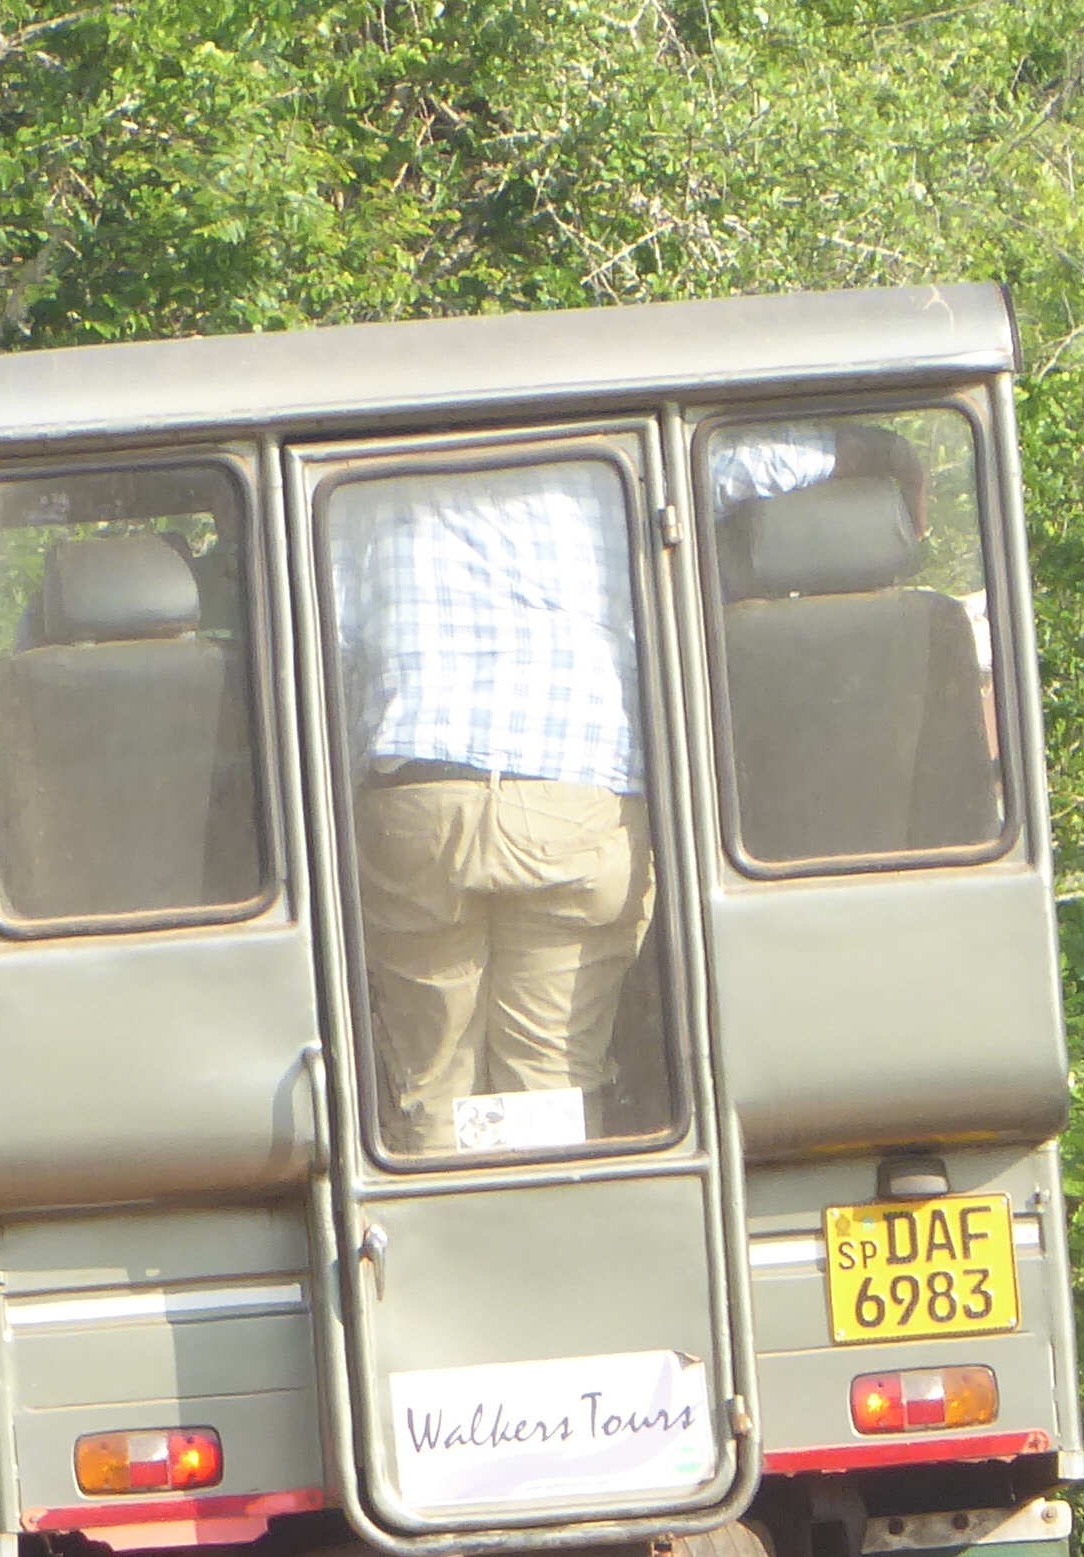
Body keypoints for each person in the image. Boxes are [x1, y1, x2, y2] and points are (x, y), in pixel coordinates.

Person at [335, 432, 850, 1155]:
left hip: (420, 801)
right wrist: (876, 452)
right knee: (550, 1076)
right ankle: (546, 1210)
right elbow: (746, 461)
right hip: (575, 795)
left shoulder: (370, 486)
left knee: (432, 1078)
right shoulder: (612, 469)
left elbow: (333, 638)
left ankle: (440, 1204)